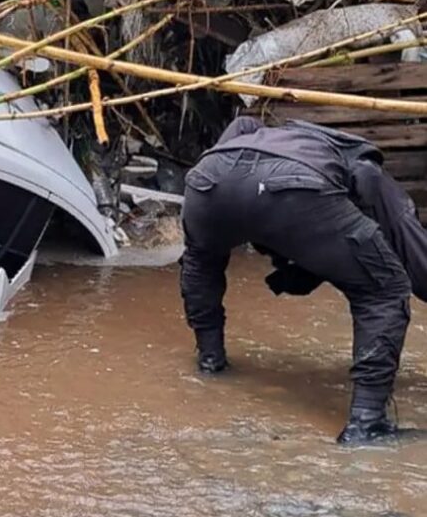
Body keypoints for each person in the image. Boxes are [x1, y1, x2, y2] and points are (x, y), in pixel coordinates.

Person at [179, 115, 427, 444]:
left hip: (207, 180)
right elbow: (405, 239)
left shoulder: (256, 133)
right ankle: (367, 424)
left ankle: (211, 361)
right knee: (386, 289)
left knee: (201, 258)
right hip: (294, 187)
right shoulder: (360, 161)